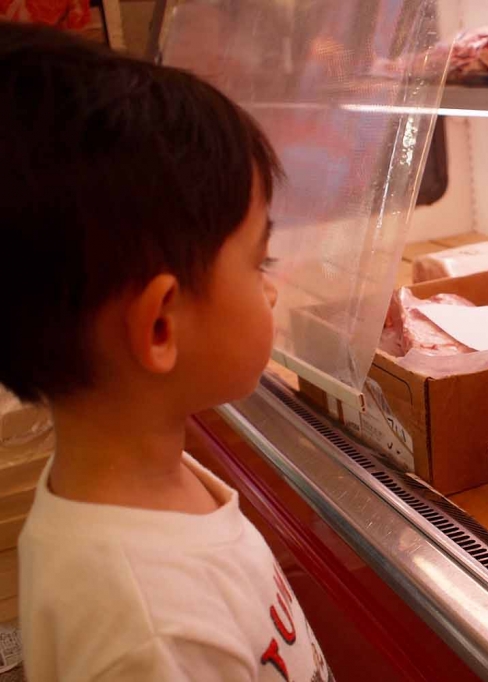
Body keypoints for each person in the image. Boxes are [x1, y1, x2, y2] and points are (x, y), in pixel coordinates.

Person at [0, 23, 333, 681]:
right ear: (159, 328)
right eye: (257, 260)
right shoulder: (151, 635)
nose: (270, 288)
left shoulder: (145, 487)